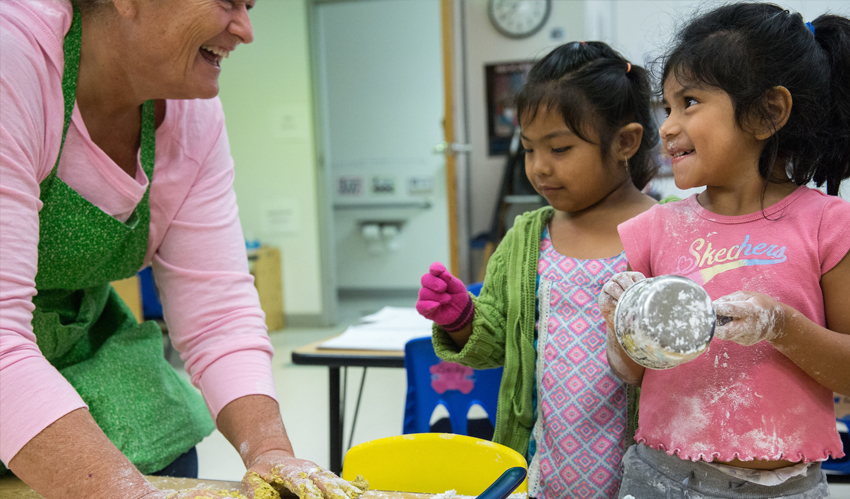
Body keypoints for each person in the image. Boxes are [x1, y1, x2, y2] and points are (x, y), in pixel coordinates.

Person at [0, 1, 364, 498]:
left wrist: (270, 451)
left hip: (75, 341)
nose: (246, 30)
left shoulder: (191, 113)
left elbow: (219, 314)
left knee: (166, 443)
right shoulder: (13, 57)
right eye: (228, 2)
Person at [597, 3, 850, 498]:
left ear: (766, 112)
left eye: (689, 102)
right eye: (666, 107)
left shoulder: (827, 224)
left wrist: (783, 326)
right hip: (661, 477)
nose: (667, 127)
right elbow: (630, 372)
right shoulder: (653, 229)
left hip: (788, 487)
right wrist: (619, 324)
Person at [416, 41, 664, 498]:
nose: (539, 168)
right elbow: (495, 346)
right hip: (541, 472)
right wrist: (461, 319)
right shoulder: (527, 238)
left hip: (640, 476)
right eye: (529, 149)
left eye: (561, 148)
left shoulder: (666, 234)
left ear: (625, 142)